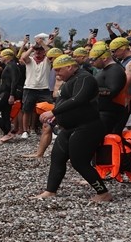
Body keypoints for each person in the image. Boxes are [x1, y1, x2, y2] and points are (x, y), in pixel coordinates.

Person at [34, 54, 111, 203]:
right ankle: (50, 191)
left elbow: (78, 99)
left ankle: (103, 193)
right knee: (57, 157)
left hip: (87, 127)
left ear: (69, 67)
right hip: (70, 127)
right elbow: (66, 100)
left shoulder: (85, 78)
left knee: (79, 162)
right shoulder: (71, 79)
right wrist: (57, 116)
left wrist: (54, 112)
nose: (57, 74)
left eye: (59, 70)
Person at [88, 42, 128, 135]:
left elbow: (112, 91)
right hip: (103, 112)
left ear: (104, 58)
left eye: (93, 59)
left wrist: (90, 90)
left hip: (111, 113)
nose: (91, 62)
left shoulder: (115, 70)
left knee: (107, 140)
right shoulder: (107, 69)